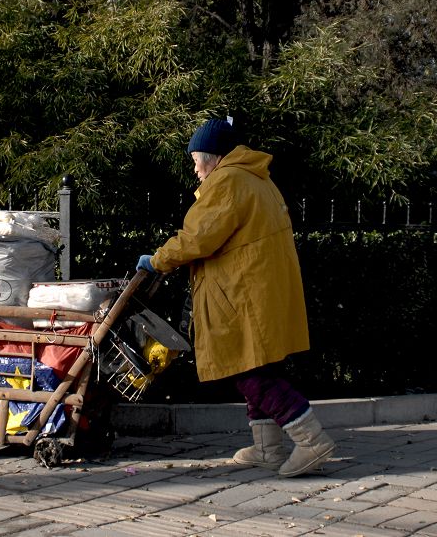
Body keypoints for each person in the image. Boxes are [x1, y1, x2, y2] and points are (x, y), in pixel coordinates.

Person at [136, 117, 335, 478]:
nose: (195, 170)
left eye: (197, 160)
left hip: (242, 294)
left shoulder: (227, 181)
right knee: (259, 366)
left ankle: (312, 441)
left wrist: (158, 259)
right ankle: (267, 448)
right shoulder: (258, 179)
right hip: (260, 291)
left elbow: (198, 237)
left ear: (214, 158)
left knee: (249, 372)